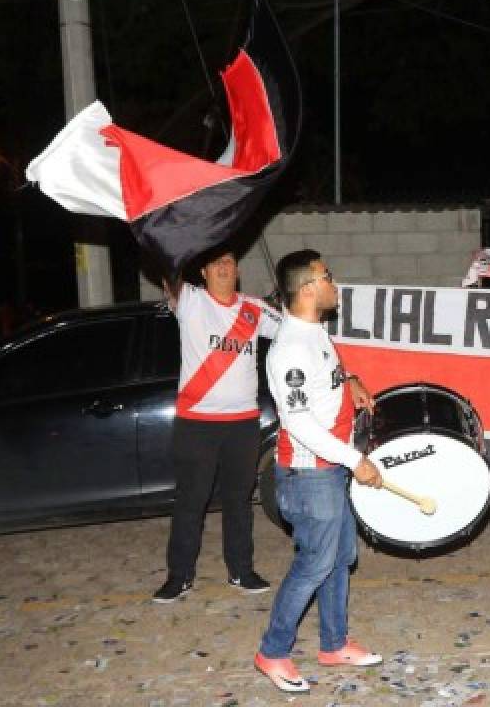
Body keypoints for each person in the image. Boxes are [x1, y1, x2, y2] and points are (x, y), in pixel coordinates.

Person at [252, 249, 385, 694]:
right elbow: (300, 422)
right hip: (311, 475)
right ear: (308, 289)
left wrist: (353, 383)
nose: (335, 282)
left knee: (340, 558)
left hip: (330, 472)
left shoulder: (315, 332)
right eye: (328, 276)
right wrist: (356, 461)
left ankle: (334, 643)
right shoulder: (289, 348)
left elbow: (329, 374)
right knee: (314, 564)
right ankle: (272, 652)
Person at [154, 250, 281, 603]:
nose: (225, 267)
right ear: (203, 271)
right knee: (190, 503)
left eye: (230, 262)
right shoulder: (191, 300)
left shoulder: (253, 309)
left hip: (242, 423)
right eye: (217, 263)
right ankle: (179, 576)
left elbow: (292, 330)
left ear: (237, 270)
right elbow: (168, 264)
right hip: (197, 423)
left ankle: (241, 570)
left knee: (239, 501)